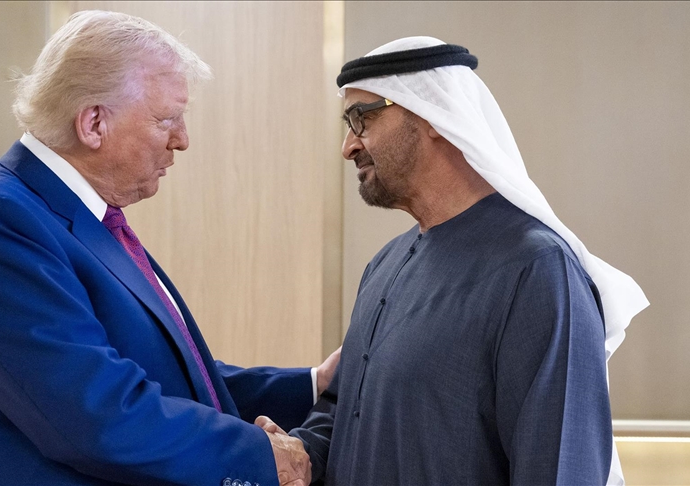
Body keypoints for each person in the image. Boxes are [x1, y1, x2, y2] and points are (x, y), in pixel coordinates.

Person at [0, 10, 328, 485]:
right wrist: (260, 455)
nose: (182, 140)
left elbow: (166, 376)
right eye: (167, 119)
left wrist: (312, 384)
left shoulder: (79, 218)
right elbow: (95, 413)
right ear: (93, 123)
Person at [260, 37, 649, 485]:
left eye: (362, 119)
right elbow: (347, 412)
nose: (348, 146)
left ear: (431, 115)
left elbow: (558, 465)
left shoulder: (536, 270)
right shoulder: (384, 265)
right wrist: (302, 453)